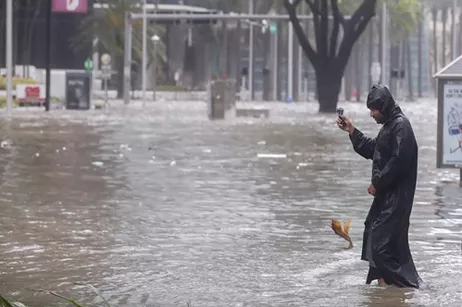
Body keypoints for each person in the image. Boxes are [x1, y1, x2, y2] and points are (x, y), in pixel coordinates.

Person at [336, 83, 422, 288]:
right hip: (387, 198)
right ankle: (384, 285)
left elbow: (398, 161)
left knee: (381, 244)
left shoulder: (401, 126)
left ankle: (406, 287)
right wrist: (351, 130)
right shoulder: (389, 127)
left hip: (397, 199)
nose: (372, 114)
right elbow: (374, 149)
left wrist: (377, 182)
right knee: (374, 235)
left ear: (383, 106)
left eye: (373, 110)